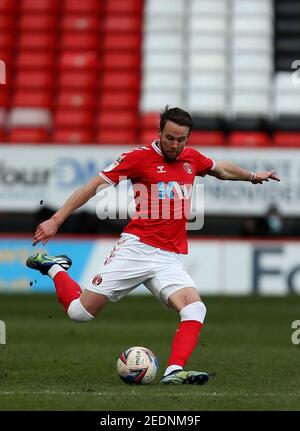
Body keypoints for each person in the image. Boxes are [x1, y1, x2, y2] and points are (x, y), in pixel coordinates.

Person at [26, 106, 280, 385]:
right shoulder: (138, 158)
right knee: (79, 313)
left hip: (168, 257)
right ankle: (53, 267)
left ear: (188, 138)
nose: (174, 145)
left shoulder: (191, 158)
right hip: (136, 249)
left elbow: (222, 170)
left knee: (195, 308)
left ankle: (173, 371)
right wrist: (56, 219)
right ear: (159, 132)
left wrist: (254, 176)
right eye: (170, 138)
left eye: (181, 140)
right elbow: (92, 186)